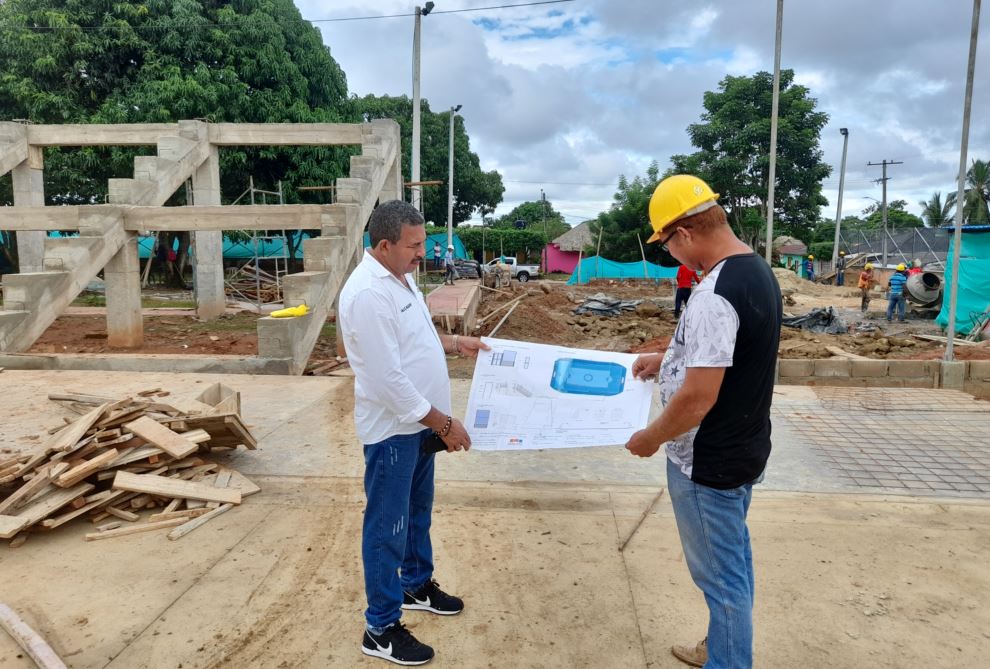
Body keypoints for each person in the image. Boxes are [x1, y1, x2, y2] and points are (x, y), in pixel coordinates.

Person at [626, 175, 781, 669]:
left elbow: (697, 397)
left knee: (721, 579)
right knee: (733, 563)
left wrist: (652, 437)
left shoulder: (715, 293)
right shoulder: (755, 270)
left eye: (666, 243)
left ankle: (728, 660)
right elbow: (720, 358)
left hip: (707, 464)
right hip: (744, 447)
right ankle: (720, 647)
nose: (669, 253)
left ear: (684, 233)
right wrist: (663, 358)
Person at [338, 200, 489, 666]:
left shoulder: (400, 278)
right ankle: (380, 628)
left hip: (417, 428)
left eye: (424, 242)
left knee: (417, 513)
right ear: (384, 245)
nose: (425, 251)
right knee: (387, 528)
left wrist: (454, 342)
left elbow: (415, 337)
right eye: (415, 244)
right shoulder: (368, 293)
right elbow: (387, 381)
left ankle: (415, 585)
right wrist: (444, 424)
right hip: (393, 434)